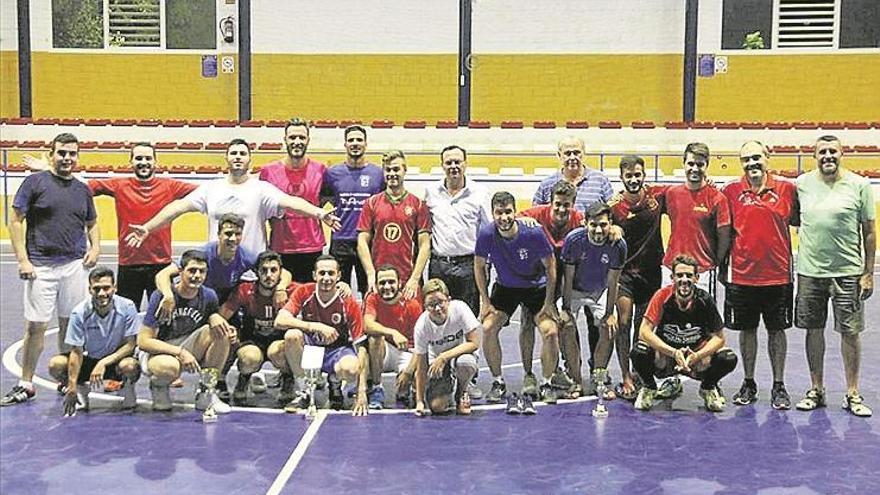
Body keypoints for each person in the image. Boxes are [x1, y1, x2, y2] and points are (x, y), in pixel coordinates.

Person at [24, 142, 198, 308]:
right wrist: (50, 170)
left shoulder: (171, 186)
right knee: (126, 316)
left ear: (155, 162)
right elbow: (80, 186)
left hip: (161, 265)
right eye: (138, 158)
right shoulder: (119, 185)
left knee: (162, 316)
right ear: (131, 162)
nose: (143, 162)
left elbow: (205, 191)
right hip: (129, 264)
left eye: (147, 158)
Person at [2, 133, 100, 407]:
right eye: (62, 153)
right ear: (51, 154)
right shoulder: (34, 183)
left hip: (73, 266)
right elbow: (16, 220)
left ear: (78, 156)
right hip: (41, 266)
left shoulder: (82, 189)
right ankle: (26, 383)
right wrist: (23, 259)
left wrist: (95, 248)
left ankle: (66, 380)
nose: (67, 158)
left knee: (71, 325)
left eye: (72, 153)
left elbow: (92, 221)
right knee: (36, 326)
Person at [126, 138, 340, 256]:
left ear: (249, 160)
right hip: (218, 266)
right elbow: (177, 208)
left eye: (242, 154)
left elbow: (292, 202)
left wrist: (320, 213)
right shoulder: (211, 189)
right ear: (226, 158)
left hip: (251, 270)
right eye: (233, 153)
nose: (238, 157)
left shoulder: (261, 189)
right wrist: (147, 227)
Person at [794, 135, 875, 417]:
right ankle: (816, 388)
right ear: (813, 155)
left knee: (850, 332)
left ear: (842, 153)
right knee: (812, 331)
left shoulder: (860, 185)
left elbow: (869, 232)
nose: (827, 156)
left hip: (848, 273)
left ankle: (852, 392)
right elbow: (796, 220)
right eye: (822, 152)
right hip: (810, 272)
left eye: (832, 151)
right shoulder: (802, 184)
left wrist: (868, 273)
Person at [722, 141, 798, 409]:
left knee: (777, 331)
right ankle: (749, 381)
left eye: (756, 158)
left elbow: (803, 221)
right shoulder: (731, 191)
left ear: (767, 158)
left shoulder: (788, 189)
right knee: (747, 330)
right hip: (742, 275)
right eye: (746, 159)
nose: (752, 163)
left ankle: (778, 385)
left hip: (778, 276)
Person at [657, 142, 731, 400]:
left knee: (705, 329)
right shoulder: (671, 193)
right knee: (668, 326)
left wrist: (715, 265)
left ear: (706, 166)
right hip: (671, 269)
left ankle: (708, 380)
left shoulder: (717, 198)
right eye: (691, 163)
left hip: (703, 271)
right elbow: (641, 197)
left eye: (700, 164)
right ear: (683, 163)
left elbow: (724, 236)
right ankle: (672, 378)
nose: (695, 169)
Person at [475, 191, 560, 405]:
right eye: (499, 213)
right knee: (487, 328)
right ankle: (498, 382)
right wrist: (485, 300)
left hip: (536, 288)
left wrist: (549, 302)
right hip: (506, 287)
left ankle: (547, 383)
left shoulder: (533, 233)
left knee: (550, 331)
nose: (503, 217)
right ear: (493, 213)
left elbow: (550, 267)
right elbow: (479, 266)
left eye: (507, 212)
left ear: (515, 212)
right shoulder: (486, 234)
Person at [631, 255, 738, 413]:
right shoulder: (662, 296)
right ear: (672, 277)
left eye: (689, 275)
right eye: (680, 275)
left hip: (695, 358)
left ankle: (708, 387)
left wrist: (698, 355)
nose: (684, 280)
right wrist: (673, 353)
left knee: (728, 358)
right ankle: (649, 387)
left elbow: (719, 338)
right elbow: (644, 331)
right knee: (638, 351)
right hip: (666, 356)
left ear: (696, 278)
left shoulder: (705, 300)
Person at [136, 250, 233, 413]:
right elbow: (144, 341)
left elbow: (212, 325)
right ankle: (159, 386)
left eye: (201, 271)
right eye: (192, 270)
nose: (197, 276)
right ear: (180, 272)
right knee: (169, 368)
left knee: (222, 332)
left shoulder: (209, 296)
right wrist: (180, 352)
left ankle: (206, 391)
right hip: (158, 350)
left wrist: (215, 317)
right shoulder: (162, 297)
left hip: (187, 343)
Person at [274, 255, 369, 416]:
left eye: (331, 273)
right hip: (312, 349)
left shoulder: (348, 302)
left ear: (338, 276)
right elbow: (280, 320)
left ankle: (335, 381)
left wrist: (361, 392)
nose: (326, 278)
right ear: (314, 275)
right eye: (322, 273)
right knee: (291, 336)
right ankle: (304, 391)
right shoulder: (304, 292)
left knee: (351, 369)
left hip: (337, 350)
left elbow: (361, 348)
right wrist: (314, 326)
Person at [608, 155, 668, 399]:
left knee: (642, 327)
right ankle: (624, 375)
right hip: (624, 275)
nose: (633, 179)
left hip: (651, 273)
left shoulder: (657, 197)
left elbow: (686, 190)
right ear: (622, 178)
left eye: (637, 174)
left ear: (644, 175)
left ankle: (639, 372)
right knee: (623, 323)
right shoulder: (614, 206)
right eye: (628, 175)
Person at [517, 180, 584, 398]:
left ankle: (565, 373)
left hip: (563, 277)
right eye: (558, 204)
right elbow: (514, 217)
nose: (562, 209)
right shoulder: (536, 214)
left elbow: (600, 224)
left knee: (565, 324)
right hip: (534, 277)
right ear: (550, 203)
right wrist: (526, 222)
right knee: (528, 321)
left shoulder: (578, 219)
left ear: (573, 204)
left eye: (567, 205)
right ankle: (528, 374)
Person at [47, 267, 141, 415]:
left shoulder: (127, 307)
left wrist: (103, 363)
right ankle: (80, 388)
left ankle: (127, 386)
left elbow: (130, 345)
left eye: (106, 288)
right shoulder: (79, 313)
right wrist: (71, 385)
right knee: (55, 365)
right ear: (90, 289)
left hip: (116, 361)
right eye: (96, 289)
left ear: (114, 288)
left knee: (130, 366)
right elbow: (76, 351)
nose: (102, 293)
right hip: (89, 360)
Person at [559, 202, 626, 398]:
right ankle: (576, 380)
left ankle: (599, 378)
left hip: (600, 290)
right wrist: (566, 308)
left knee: (609, 327)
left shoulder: (618, 245)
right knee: (566, 326)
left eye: (603, 225)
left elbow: (614, 281)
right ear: (585, 223)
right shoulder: (574, 240)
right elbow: (567, 277)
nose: (598, 230)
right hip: (575, 290)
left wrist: (609, 314)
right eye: (594, 224)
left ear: (610, 224)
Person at [217, 251, 297, 406]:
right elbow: (221, 317)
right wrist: (229, 329)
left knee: (279, 352)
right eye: (264, 270)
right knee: (249, 358)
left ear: (281, 272)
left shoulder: (292, 291)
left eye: (273, 270)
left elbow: (318, 290)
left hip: (278, 344)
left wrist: (341, 286)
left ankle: (288, 378)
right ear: (256, 272)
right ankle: (244, 377)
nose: (268, 275)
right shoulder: (244, 290)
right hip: (252, 342)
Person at [425, 145, 491, 316]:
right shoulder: (431, 193)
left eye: (457, 162)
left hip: (469, 266)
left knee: (468, 317)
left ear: (465, 164)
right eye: (448, 162)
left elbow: (488, 231)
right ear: (442, 166)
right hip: (439, 264)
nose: (453, 166)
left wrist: (487, 266)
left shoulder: (480, 192)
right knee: (437, 315)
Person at [259, 118, 328, 282]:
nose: (297, 142)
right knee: (281, 297)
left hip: (312, 247)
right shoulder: (268, 172)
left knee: (309, 301)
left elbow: (324, 200)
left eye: (302, 138)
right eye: (292, 137)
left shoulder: (321, 170)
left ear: (308, 140)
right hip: (281, 247)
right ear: (285, 140)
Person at [357, 150, 431, 298]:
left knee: (411, 320)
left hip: (408, 279)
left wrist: (415, 278)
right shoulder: (371, 203)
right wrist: (371, 274)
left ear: (405, 171)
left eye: (396, 169)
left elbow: (425, 245)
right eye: (388, 170)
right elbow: (362, 242)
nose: (392, 174)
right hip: (380, 279)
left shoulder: (418, 204)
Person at [320, 125, 385, 294]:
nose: (355, 143)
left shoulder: (378, 174)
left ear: (366, 144)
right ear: (345, 145)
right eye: (351, 140)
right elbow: (322, 203)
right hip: (341, 240)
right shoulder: (332, 173)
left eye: (359, 140)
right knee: (338, 292)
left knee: (370, 291)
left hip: (368, 240)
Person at [413, 278, 481, 416]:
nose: (437, 308)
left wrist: (445, 356)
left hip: (460, 355)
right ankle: (448, 384)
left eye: (440, 302)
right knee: (437, 407)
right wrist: (419, 401)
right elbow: (421, 367)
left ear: (448, 300)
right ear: (425, 306)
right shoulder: (422, 326)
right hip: (437, 363)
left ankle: (462, 392)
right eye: (431, 305)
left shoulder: (460, 308)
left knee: (466, 363)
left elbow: (474, 343)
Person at [363, 264, 424, 409]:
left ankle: (405, 388)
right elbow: (367, 324)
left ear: (400, 283)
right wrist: (392, 332)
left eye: (391, 282)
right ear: (376, 285)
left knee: (412, 383)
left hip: (408, 351)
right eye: (382, 283)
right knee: (375, 338)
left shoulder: (412, 305)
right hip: (385, 351)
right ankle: (377, 388)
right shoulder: (372, 298)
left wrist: (408, 372)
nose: (387, 286)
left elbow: (422, 344)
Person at [532, 136, 613, 212]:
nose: (572, 157)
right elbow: (535, 214)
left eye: (576, 152)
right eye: (567, 153)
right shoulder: (547, 184)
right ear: (559, 155)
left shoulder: (601, 180)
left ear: (584, 153)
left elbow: (611, 211)